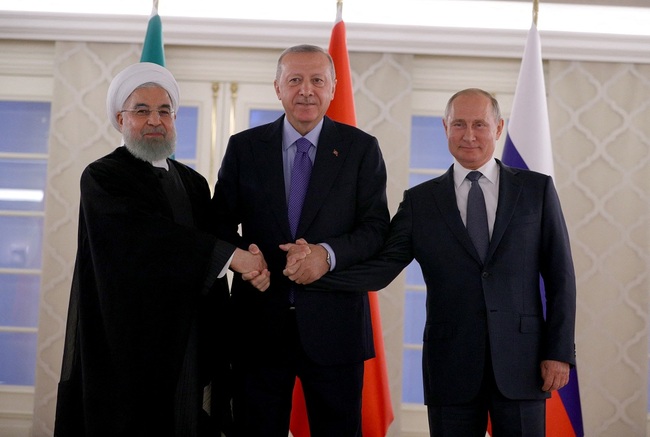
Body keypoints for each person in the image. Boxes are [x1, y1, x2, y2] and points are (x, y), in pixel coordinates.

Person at [284, 88, 577, 436]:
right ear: (445, 128)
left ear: (498, 128)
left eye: (480, 125)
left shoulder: (536, 190)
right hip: (450, 366)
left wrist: (559, 352)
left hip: (523, 363)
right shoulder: (420, 202)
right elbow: (381, 268)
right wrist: (314, 271)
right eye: (459, 124)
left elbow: (561, 277)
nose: (469, 135)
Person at [53, 62, 268, 437]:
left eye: (164, 111)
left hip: (191, 335)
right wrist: (234, 258)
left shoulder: (193, 182)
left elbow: (214, 233)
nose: (155, 120)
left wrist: (253, 261)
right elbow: (147, 239)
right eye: (142, 110)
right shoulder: (103, 176)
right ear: (121, 119)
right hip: (130, 343)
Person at [211, 44, 390, 436]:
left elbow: (376, 229)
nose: (306, 90)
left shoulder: (361, 150)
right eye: (295, 80)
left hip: (336, 329)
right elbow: (217, 224)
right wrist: (244, 259)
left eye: (316, 81)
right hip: (258, 327)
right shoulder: (244, 148)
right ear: (277, 87)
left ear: (333, 88)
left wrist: (326, 255)